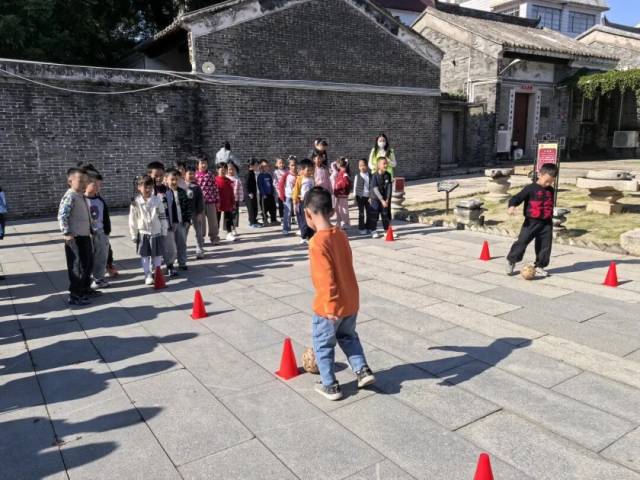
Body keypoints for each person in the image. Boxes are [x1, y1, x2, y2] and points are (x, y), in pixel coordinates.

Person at [304, 187, 375, 400]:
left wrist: (330, 307)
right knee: (348, 336)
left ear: (307, 214)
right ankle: (362, 370)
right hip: (350, 299)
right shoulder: (341, 235)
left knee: (322, 343)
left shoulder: (317, 243)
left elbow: (325, 278)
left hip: (329, 306)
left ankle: (330, 385)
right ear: (333, 211)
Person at [506, 163, 558, 277]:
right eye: (547, 181)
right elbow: (516, 198)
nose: (548, 184)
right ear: (540, 175)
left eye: (551, 182)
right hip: (531, 222)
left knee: (545, 246)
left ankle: (540, 265)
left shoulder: (551, 190)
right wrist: (512, 206)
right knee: (522, 242)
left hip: (546, 223)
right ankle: (512, 260)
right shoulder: (530, 189)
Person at [58, 167, 95, 305]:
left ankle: (85, 288)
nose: (84, 183)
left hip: (84, 235)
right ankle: (75, 294)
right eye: (80, 180)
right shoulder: (70, 196)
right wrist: (67, 233)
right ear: (70, 181)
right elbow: (62, 216)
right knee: (76, 266)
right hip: (74, 237)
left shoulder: (81, 196)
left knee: (87, 263)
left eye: (85, 181)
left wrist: (91, 229)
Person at [129, 175, 168, 286]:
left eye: (150, 187)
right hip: (143, 233)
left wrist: (164, 230)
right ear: (139, 187)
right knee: (144, 256)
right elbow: (132, 219)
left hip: (156, 232)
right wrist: (133, 234)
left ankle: (157, 273)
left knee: (157, 255)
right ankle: (148, 274)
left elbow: (162, 216)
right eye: (145, 187)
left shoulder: (157, 200)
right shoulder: (135, 202)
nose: (148, 190)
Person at [85, 172, 111, 289]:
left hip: (101, 232)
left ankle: (98, 278)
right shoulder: (81, 200)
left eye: (99, 185)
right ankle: (87, 279)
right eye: (94, 184)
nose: (97, 187)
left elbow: (105, 216)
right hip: (87, 234)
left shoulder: (100, 200)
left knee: (101, 256)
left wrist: (107, 230)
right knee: (88, 257)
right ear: (86, 184)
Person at [164, 169, 192, 275]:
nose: (174, 182)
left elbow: (187, 208)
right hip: (170, 224)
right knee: (170, 245)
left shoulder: (182, 192)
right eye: (172, 179)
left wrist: (187, 220)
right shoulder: (165, 193)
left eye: (176, 179)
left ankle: (182, 262)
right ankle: (169, 263)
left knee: (182, 243)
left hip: (181, 222)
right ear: (166, 180)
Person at [195, 156, 220, 245]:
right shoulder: (195, 176)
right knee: (200, 221)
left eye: (205, 163)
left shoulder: (210, 175)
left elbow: (215, 187)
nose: (204, 165)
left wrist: (217, 200)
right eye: (202, 163)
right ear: (198, 165)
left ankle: (214, 237)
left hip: (211, 201)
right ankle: (200, 238)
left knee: (213, 221)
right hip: (200, 203)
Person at [368, 157, 393, 239]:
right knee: (374, 214)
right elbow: (375, 189)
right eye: (384, 164)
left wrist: (387, 199)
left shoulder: (388, 175)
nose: (386, 165)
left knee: (385, 214)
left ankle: (386, 231)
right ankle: (373, 230)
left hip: (385, 199)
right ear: (378, 165)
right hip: (375, 198)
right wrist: (382, 200)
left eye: (386, 163)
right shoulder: (374, 176)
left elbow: (389, 188)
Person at [292, 159, 315, 244]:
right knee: (304, 220)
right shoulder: (300, 179)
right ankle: (304, 236)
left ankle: (311, 236)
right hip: (302, 202)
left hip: (311, 202)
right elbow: (296, 190)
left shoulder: (312, 179)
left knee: (311, 219)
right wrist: (295, 200)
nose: (310, 172)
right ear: (302, 170)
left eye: (311, 170)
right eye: (308, 170)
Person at [185, 166, 205, 259]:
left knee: (198, 232)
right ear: (185, 174)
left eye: (193, 174)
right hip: (185, 214)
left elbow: (200, 201)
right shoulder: (181, 186)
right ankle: (182, 251)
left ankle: (199, 249)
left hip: (195, 213)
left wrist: (200, 213)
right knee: (183, 233)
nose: (191, 175)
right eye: (189, 173)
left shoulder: (197, 187)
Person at [215, 162, 237, 241]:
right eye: (221, 170)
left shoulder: (229, 180)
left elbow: (231, 192)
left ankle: (229, 233)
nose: (223, 171)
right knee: (217, 219)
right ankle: (215, 234)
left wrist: (233, 202)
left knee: (228, 219)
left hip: (227, 202)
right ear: (217, 170)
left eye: (225, 170)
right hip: (218, 203)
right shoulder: (214, 180)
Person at [279, 157, 298, 235]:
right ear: (289, 166)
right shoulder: (286, 175)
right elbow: (281, 185)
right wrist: (282, 195)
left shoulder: (299, 174)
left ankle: (301, 228)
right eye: (292, 165)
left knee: (298, 212)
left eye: (295, 165)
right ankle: (286, 228)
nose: (294, 167)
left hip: (297, 196)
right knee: (288, 212)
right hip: (288, 196)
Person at [353, 158, 371, 235]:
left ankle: (368, 227)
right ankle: (361, 228)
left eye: (363, 165)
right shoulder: (357, 176)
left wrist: (371, 196)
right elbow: (354, 187)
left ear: (367, 166)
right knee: (361, 213)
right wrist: (354, 197)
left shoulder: (370, 175)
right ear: (358, 167)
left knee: (369, 213)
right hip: (360, 197)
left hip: (368, 197)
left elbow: (372, 186)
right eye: (360, 166)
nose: (362, 167)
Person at [333, 157, 352, 229]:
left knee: (343, 209)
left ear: (339, 164)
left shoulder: (344, 173)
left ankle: (346, 223)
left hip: (342, 194)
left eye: (337, 163)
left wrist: (340, 186)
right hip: (339, 194)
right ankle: (339, 223)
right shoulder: (340, 172)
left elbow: (347, 183)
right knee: (338, 209)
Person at [258, 159, 278, 225]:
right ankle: (265, 220)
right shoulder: (260, 176)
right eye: (264, 166)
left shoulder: (269, 175)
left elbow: (271, 184)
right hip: (264, 195)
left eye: (267, 166)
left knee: (273, 207)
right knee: (264, 209)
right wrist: (263, 194)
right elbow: (260, 186)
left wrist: (272, 192)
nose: (266, 167)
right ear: (261, 167)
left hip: (270, 194)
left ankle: (273, 220)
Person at [227, 162, 244, 235]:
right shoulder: (226, 178)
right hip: (227, 200)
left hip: (235, 200)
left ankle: (234, 228)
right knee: (228, 215)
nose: (231, 171)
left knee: (235, 215)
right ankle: (229, 229)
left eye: (233, 169)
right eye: (229, 169)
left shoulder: (237, 179)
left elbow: (240, 190)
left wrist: (241, 198)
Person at [245, 158, 261, 228]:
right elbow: (246, 184)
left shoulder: (252, 173)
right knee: (251, 209)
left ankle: (254, 220)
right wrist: (249, 193)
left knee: (255, 208)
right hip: (249, 195)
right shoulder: (248, 174)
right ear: (251, 166)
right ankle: (252, 222)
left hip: (253, 194)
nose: (257, 166)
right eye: (256, 165)